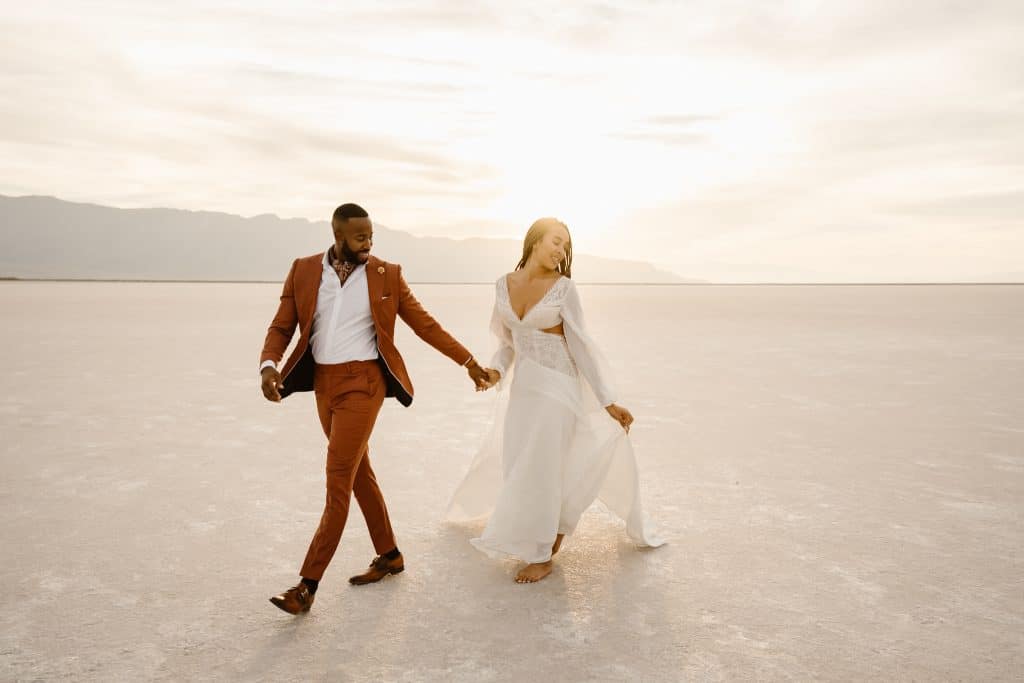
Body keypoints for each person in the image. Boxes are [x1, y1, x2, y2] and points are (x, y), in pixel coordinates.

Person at [259, 203, 491, 613]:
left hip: (364, 386)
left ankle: (307, 585)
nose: (369, 243)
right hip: (323, 386)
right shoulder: (304, 270)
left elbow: (425, 325)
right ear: (338, 236)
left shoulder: (387, 275)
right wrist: (268, 365)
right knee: (358, 472)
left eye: (371, 235)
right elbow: (282, 325)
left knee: (337, 480)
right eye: (360, 236)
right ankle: (390, 555)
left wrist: (469, 361)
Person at [447, 217, 665, 583]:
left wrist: (609, 401)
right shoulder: (503, 286)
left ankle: (543, 553)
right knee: (521, 464)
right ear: (535, 241)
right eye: (556, 241)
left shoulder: (564, 289)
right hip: (523, 393)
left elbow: (580, 345)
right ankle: (546, 535)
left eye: (565, 245)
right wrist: (495, 373)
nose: (561, 250)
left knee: (544, 467)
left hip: (559, 389)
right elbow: (506, 343)